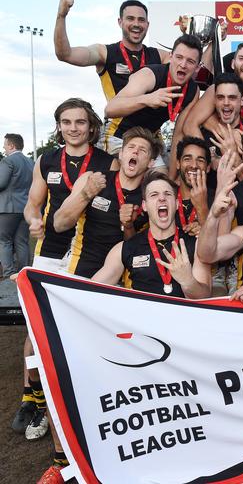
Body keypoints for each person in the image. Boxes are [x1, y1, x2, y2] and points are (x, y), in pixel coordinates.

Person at [20, 97, 116, 484]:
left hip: (88, 255)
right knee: (34, 335)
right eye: (66, 122)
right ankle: (35, 402)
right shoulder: (45, 160)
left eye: (80, 122)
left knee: (80, 332)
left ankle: (79, 405)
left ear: (91, 126)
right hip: (49, 253)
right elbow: (32, 203)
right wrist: (31, 221)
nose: (73, 128)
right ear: (59, 126)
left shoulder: (106, 162)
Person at [52, 127, 159, 278]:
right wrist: (85, 194)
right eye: (131, 147)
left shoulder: (151, 196)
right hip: (78, 268)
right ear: (121, 154)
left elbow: (138, 249)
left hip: (120, 277)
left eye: (143, 150)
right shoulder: (93, 179)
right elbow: (59, 224)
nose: (135, 152)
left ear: (150, 163)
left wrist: (129, 226)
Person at [92, 170, 212, 298]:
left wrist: (188, 281)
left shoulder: (195, 244)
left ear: (177, 204)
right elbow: (88, 293)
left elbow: (206, 297)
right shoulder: (124, 249)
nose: (161, 198)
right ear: (144, 206)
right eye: (154, 195)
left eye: (167, 194)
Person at [103, 34, 201, 160]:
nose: (183, 64)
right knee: (138, 170)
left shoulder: (193, 91)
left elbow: (178, 134)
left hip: (148, 142)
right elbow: (109, 109)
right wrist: (147, 99)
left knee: (162, 177)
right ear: (170, 57)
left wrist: (171, 175)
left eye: (190, 61)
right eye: (179, 57)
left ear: (197, 67)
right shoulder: (150, 75)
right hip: (118, 137)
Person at [54, 0, 167, 102]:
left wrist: (184, 32)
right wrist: (61, 16)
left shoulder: (160, 56)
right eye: (130, 19)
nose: (136, 24)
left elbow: (182, 63)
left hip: (151, 124)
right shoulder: (104, 52)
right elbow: (65, 54)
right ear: (120, 22)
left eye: (141, 20)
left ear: (147, 24)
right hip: (117, 122)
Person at [0, 133, 33, 277]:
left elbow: (1, 183)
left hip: (8, 208)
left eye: (5, 145)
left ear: (12, 146)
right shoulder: (31, 162)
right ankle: (24, 272)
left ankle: (9, 273)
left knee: (4, 240)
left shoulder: (8, 161)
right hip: (26, 207)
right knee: (22, 241)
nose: (3, 147)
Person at [173, 136, 214, 236]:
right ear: (178, 164)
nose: (194, 165)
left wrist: (202, 212)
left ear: (208, 167)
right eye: (187, 159)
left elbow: (222, 245)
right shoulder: (166, 197)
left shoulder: (218, 198)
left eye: (200, 160)